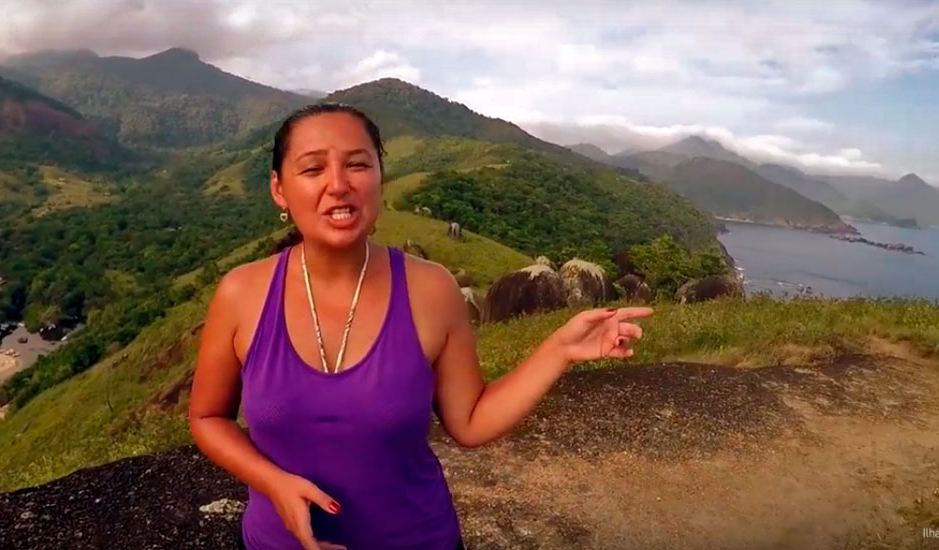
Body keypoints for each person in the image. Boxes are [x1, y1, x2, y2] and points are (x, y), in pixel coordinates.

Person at [188, 103, 653, 550]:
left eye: (357, 165)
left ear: (379, 178)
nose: (338, 184)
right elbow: (208, 418)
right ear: (279, 189)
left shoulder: (431, 289)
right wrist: (272, 483)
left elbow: (469, 421)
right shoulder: (242, 293)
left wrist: (560, 350)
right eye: (312, 169)